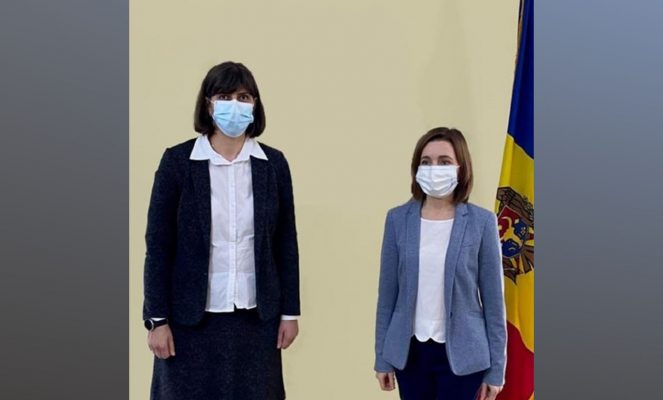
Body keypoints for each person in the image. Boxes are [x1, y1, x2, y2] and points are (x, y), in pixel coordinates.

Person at [142, 61, 300, 400]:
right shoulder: (177, 162)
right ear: (208, 104)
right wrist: (157, 319)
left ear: (255, 105)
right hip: (188, 320)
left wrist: (290, 312)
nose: (234, 105)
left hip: (256, 320)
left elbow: (285, 242)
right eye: (225, 96)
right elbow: (158, 245)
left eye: (244, 97)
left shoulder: (273, 165)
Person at [374, 127, 506, 400]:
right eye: (426, 162)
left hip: (464, 356)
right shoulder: (397, 220)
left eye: (444, 162)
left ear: (461, 168)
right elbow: (387, 297)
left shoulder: (482, 223)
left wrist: (496, 371)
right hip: (410, 354)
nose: (434, 169)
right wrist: (382, 357)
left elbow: (494, 304)